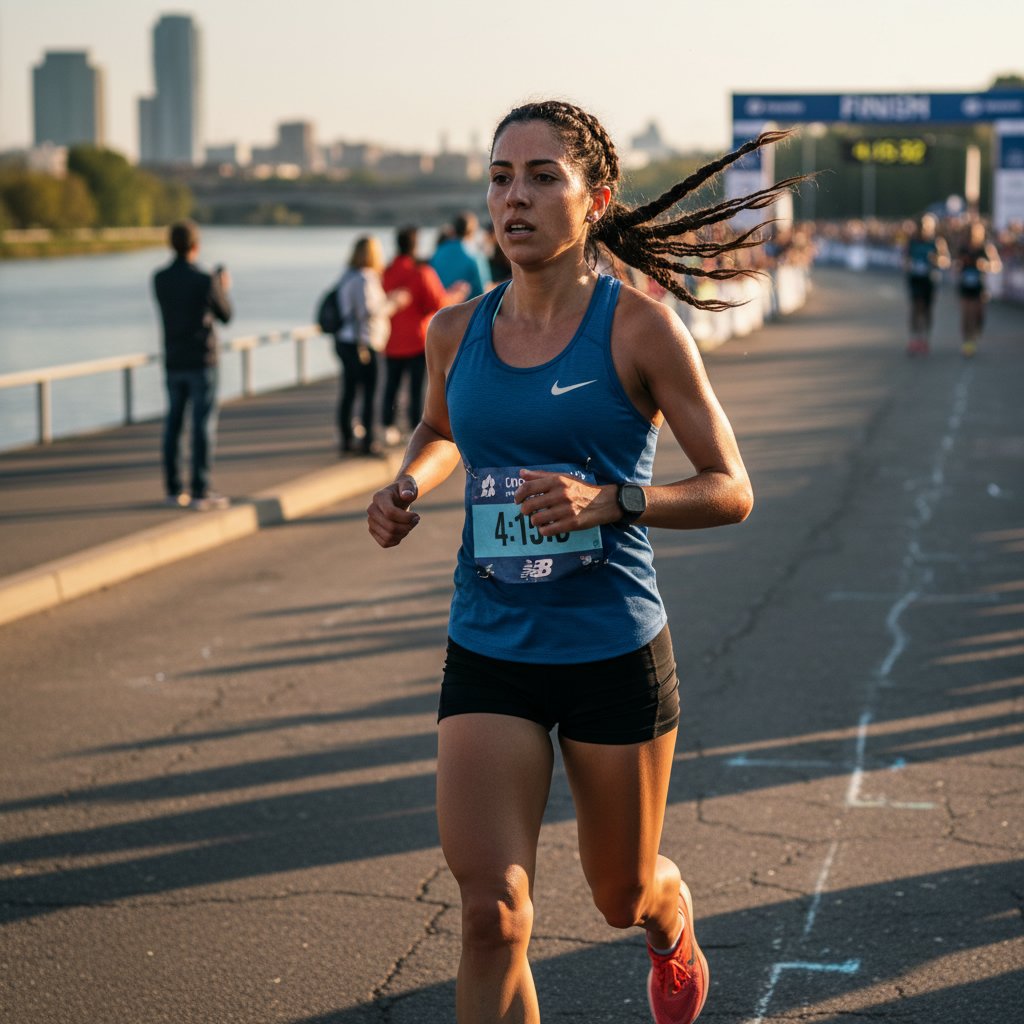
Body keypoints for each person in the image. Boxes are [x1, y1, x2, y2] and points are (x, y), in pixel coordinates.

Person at [368, 99, 800, 1024]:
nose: (512, 197)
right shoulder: (455, 331)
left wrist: (613, 500)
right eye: (498, 177)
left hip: (612, 651)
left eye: (540, 177)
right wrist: (407, 483)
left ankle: (667, 911)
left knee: (618, 893)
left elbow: (732, 487)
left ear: (595, 199)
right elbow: (441, 428)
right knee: (492, 914)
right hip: (490, 644)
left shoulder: (639, 331)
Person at [152, 220, 233, 511]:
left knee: (173, 423)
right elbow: (225, 314)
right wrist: (222, 287)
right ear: (196, 246)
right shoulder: (204, 279)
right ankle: (200, 489)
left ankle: (173, 489)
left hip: (173, 360)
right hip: (202, 360)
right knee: (202, 425)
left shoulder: (159, 278)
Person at [381, 226, 468, 447]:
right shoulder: (421, 272)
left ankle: (386, 426)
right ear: (415, 245)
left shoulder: (387, 271)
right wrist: (456, 294)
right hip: (417, 340)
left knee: (391, 384)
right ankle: (412, 429)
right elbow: (437, 303)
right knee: (417, 388)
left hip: (391, 340)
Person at [334, 235, 407, 456]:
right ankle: (368, 442)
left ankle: (347, 438)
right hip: (364, 342)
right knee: (370, 392)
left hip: (346, 339)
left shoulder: (347, 276)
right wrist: (394, 302)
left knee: (349, 391)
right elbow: (370, 311)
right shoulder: (366, 278)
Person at [903, 213, 949, 356]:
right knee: (916, 307)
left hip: (929, 280)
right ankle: (914, 339)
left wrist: (935, 260)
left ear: (932, 227)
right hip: (915, 279)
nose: (924, 228)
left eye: (927, 226)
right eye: (922, 225)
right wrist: (908, 265)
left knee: (927, 310)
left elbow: (946, 261)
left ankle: (925, 339)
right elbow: (905, 259)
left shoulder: (937, 242)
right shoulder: (912, 241)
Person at [956, 220, 1002, 358]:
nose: (974, 234)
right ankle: (967, 342)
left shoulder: (986, 248)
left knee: (977, 316)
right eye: (972, 232)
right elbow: (956, 266)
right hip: (965, 286)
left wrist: (986, 265)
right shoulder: (963, 248)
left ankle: (975, 333)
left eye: (977, 232)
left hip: (979, 287)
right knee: (966, 315)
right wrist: (959, 266)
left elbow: (997, 265)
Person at [431, 211, 492, 298]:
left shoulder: (438, 253)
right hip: (470, 309)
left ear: (454, 229)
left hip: (442, 308)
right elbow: (484, 290)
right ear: (473, 231)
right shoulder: (475, 256)